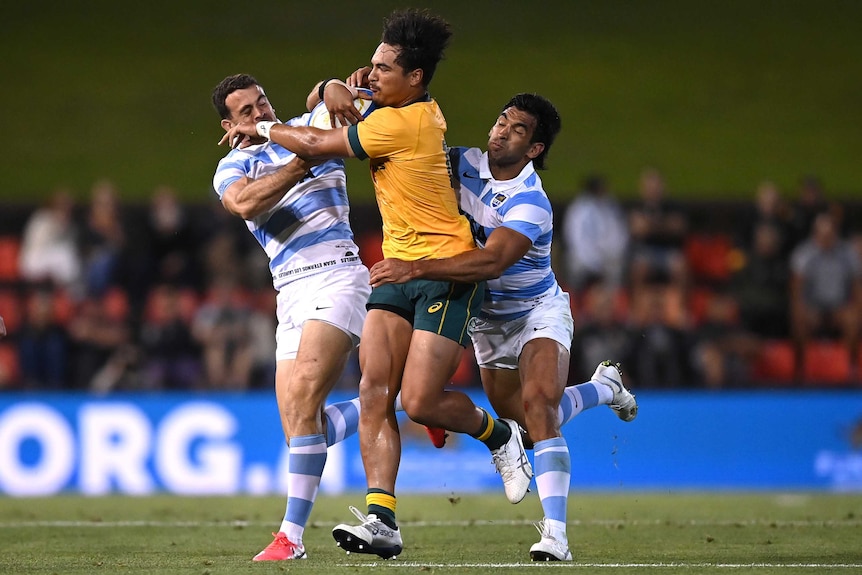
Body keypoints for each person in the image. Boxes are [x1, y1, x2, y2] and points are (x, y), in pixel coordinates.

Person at [220, 8, 532, 560]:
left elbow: (317, 145)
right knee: (363, 396)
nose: (373, 74)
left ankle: (500, 436)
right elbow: (337, 91)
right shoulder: (379, 103)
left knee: (414, 399)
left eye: (384, 68)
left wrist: (266, 127)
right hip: (388, 268)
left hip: (434, 266)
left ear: (412, 79)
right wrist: (333, 84)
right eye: (245, 111)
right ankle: (382, 521)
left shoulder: (402, 121)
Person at [368, 93, 638, 561]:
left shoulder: (531, 202)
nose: (500, 131)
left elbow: (492, 261)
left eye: (516, 130)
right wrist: (348, 95)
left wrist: (413, 269)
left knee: (538, 405)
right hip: (487, 323)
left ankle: (555, 536)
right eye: (500, 121)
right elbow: (407, 159)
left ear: (534, 149)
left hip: (536, 310)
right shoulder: (461, 163)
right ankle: (601, 388)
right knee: (529, 428)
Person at [212, 73, 372, 560]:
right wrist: (302, 162)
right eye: (247, 112)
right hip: (290, 292)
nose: (261, 114)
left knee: (302, 398)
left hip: (339, 275)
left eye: (262, 102)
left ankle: (291, 537)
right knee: (304, 428)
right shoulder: (232, 166)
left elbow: (337, 96)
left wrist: (329, 86)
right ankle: (402, 400)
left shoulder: (308, 126)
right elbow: (243, 203)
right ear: (229, 124)